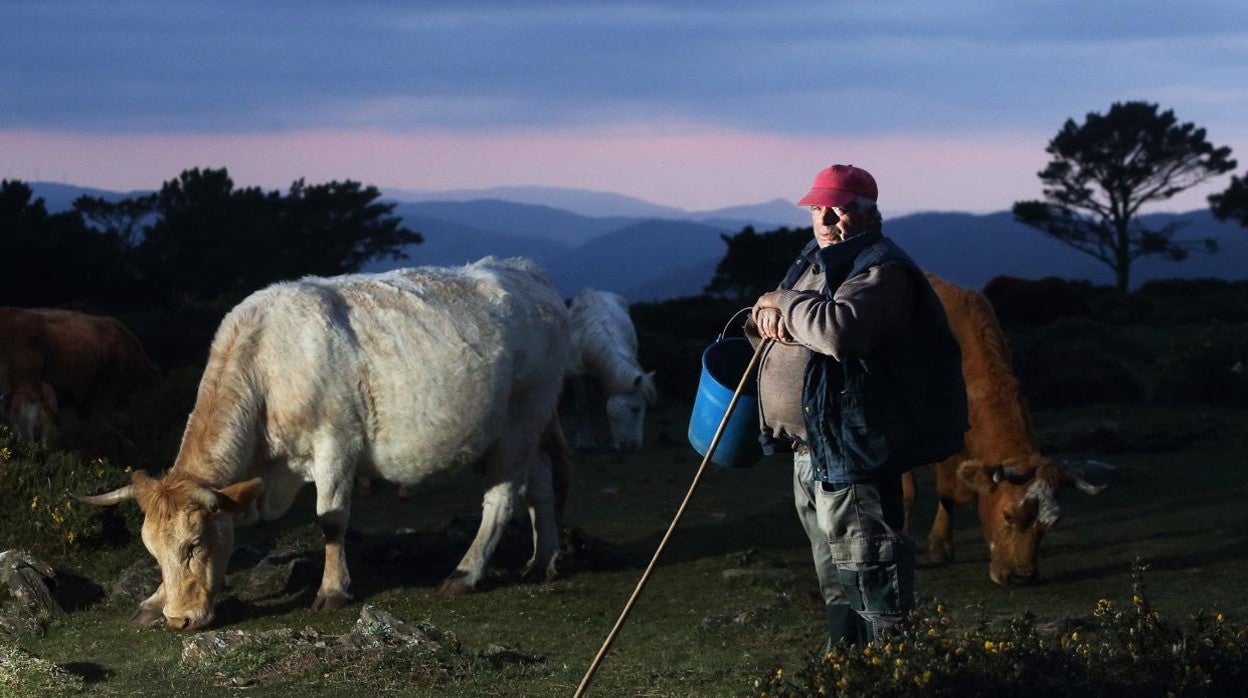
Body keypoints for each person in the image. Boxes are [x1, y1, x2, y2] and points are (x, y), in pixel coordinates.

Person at [747, 164, 968, 648]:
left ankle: (888, 670)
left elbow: (838, 330)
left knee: (870, 565)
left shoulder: (882, 271)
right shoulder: (813, 260)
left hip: (853, 450)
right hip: (810, 451)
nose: (826, 220)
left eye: (841, 208)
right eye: (817, 209)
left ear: (870, 213)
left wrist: (781, 302)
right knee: (834, 571)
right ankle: (845, 665)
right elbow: (763, 322)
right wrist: (775, 307)